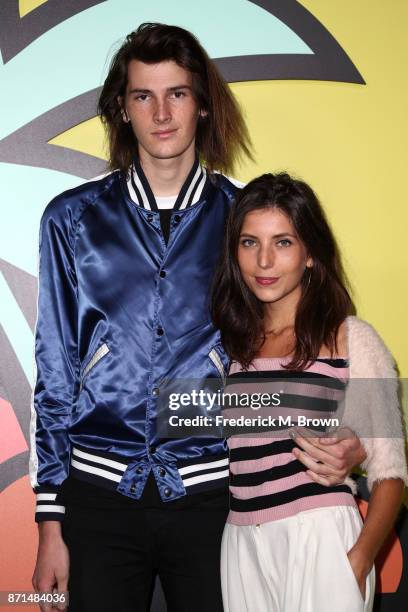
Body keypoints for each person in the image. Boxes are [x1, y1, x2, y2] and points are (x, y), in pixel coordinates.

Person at [30, 24, 366, 612]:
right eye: (143, 96)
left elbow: (321, 334)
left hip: (218, 494)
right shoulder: (70, 219)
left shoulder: (246, 219)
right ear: (122, 108)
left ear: (204, 104)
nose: (162, 113)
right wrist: (50, 520)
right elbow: (55, 369)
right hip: (98, 494)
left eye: (178, 94)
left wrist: (362, 437)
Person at [211, 172, 408, 612]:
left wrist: (356, 562)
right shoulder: (229, 348)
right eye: (249, 242)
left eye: (283, 242)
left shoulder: (351, 338)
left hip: (320, 538)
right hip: (242, 543)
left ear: (310, 254)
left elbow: (390, 475)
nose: (264, 261)